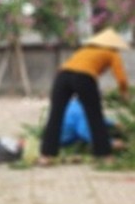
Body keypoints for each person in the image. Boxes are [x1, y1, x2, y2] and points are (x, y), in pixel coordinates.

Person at [39, 27, 129, 163]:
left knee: (56, 115)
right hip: (84, 78)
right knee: (94, 115)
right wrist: (124, 93)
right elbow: (121, 78)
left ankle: (46, 156)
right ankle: (105, 156)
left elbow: (70, 65)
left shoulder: (85, 50)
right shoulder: (112, 53)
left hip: (62, 76)